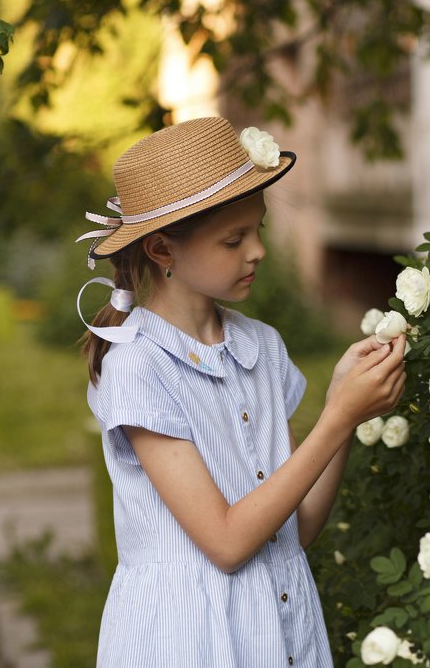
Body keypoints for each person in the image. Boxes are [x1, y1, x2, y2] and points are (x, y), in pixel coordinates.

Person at [76, 117, 406, 667]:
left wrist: (342, 410)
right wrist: (335, 420)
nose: (257, 252)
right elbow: (227, 544)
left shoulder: (262, 347)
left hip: (277, 634)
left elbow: (294, 530)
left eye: (259, 229)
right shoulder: (137, 367)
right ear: (162, 250)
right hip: (188, 642)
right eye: (233, 240)